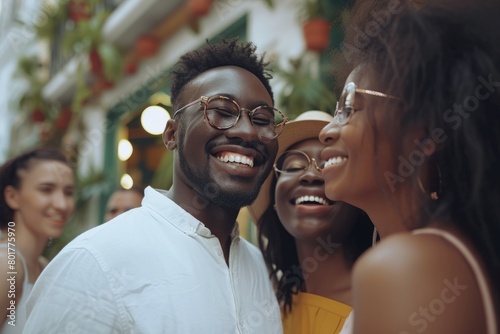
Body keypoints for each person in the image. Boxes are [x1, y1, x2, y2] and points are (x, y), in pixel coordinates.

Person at [24, 39, 287, 333]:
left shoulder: (259, 267)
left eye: (262, 119)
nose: (247, 131)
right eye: (222, 111)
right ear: (172, 134)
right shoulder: (95, 262)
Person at [319, 1, 500, 333]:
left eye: (351, 108)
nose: (327, 130)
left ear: (425, 135)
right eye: (336, 110)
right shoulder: (454, 253)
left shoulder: (402, 267)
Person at [249, 111, 373, 334]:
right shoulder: (259, 297)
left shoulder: (381, 301)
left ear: (359, 203)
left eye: (329, 164)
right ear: (275, 201)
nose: (311, 175)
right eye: (294, 166)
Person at [0, 147, 75, 334]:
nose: (61, 204)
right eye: (46, 190)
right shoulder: (6, 265)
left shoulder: (44, 267)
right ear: (12, 196)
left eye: (68, 192)